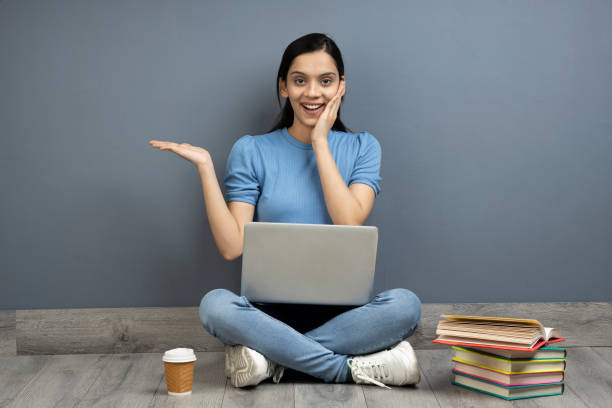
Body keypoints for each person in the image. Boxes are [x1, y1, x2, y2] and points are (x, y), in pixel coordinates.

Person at [149, 33, 422, 389]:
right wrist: (205, 167)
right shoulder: (252, 150)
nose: (312, 93)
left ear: (341, 86)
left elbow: (349, 220)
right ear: (283, 87)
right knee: (214, 305)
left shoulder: (362, 147)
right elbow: (232, 246)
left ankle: (271, 361)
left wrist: (321, 141)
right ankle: (348, 369)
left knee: (406, 305)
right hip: (267, 317)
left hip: (346, 317)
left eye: (325, 81)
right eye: (299, 81)